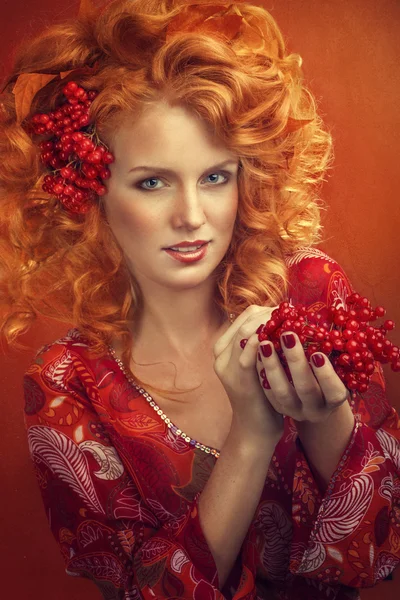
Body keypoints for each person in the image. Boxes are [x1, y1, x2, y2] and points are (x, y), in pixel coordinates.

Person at [0, 0, 399, 598]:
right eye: (153, 182)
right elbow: (143, 593)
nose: (192, 217)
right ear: (91, 190)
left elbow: (378, 556)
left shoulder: (313, 294)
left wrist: (325, 421)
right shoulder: (66, 384)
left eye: (215, 177)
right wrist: (253, 434)